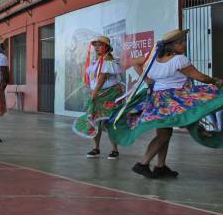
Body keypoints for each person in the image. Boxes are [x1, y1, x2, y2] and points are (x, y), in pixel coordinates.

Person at [107, 29, 223, 179]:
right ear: (174, 45)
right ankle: (143, 164)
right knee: (164, 135)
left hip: (157, 100)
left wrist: (147, 79)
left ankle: (160, 166)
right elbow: (200, 77)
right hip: (174, 99)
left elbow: (134, 62)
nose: (184, 45)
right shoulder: (179, 60)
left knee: (165, 134)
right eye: (182, 42)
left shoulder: (152, 58)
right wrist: (216, 81)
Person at [72, 36, 123, 159]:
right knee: (95, 120)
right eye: (95, 45)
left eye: (99, 45)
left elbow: (101, 79)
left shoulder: (108, 59)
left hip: (108, 94)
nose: (96, 47)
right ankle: (96, 148)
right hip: (98, 93)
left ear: (106, 47)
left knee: (107, 121)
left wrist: (93, 94)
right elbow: (93, 79)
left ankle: (114, 149)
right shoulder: (97, 61)